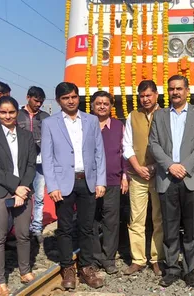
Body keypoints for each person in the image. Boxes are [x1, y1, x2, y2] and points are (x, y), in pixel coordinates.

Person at [41, 82, 106, 289]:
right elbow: (47, 157)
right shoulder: (50, 123)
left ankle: (86, 267)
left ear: (78, 97)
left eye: (73, 96)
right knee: (65, 229)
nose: (70, 101)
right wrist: (52, 186)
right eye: (65, 98)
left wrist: (100, 181)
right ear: (59, 101)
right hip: (63, 183)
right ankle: (67, 267)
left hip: (87, 181)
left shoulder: (91, 120)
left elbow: (99, 153)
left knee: (87, 228)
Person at [149, 75, 194, 288]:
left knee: (192, 228)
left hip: (191, 178)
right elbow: (154, 144)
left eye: (179, 89)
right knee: (170, 226)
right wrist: (170, 165)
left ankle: (189, 269)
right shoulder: (160, 115)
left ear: (187, 90)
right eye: (172, 89)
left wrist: (184, 166)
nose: (176, 92)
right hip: (168, 177)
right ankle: (173, 268)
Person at [0, 96, 38, 296]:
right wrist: (16, 187)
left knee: (23, 235)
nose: (8, 116)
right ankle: (0, 281)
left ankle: (25, 271)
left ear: (17, 113)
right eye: (3, 112)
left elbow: (31, 164)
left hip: (23, 191)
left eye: (11, 112)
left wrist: (23, 187)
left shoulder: (27, 136)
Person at [122, 80, 163, 276]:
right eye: (142, 95)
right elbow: (126, 144)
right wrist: (137, 167)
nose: (145, 99)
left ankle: (157, 258)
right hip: (137, 175)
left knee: (158, 218)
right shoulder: (133, 116)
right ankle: (138, 259)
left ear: (156, 95)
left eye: (149, 95)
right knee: (136, 219)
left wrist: (155, 166)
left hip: (160, 175)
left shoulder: (165, 115)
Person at [90, 91, 128, 274]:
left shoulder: (119, 125)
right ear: (92, 106)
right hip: (90, 181)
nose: (102, 106)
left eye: (106, 103)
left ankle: (109, 258)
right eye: (98, 103)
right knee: (91, 220)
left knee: (111, 221)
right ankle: (95, 257)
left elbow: (124, 151)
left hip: (112, 179)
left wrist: (125, 176)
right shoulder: (86, 125)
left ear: (111, 106)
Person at [17, 86, 50, 243]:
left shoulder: (45, 117)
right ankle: (20, 228)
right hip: (20, 162)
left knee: (39, 196)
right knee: (21, 194)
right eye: (36, 100)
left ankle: (36, 227)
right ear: (28, 97)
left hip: (39, 162)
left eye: (41, 102)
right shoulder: (17, 115)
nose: (38, 104)